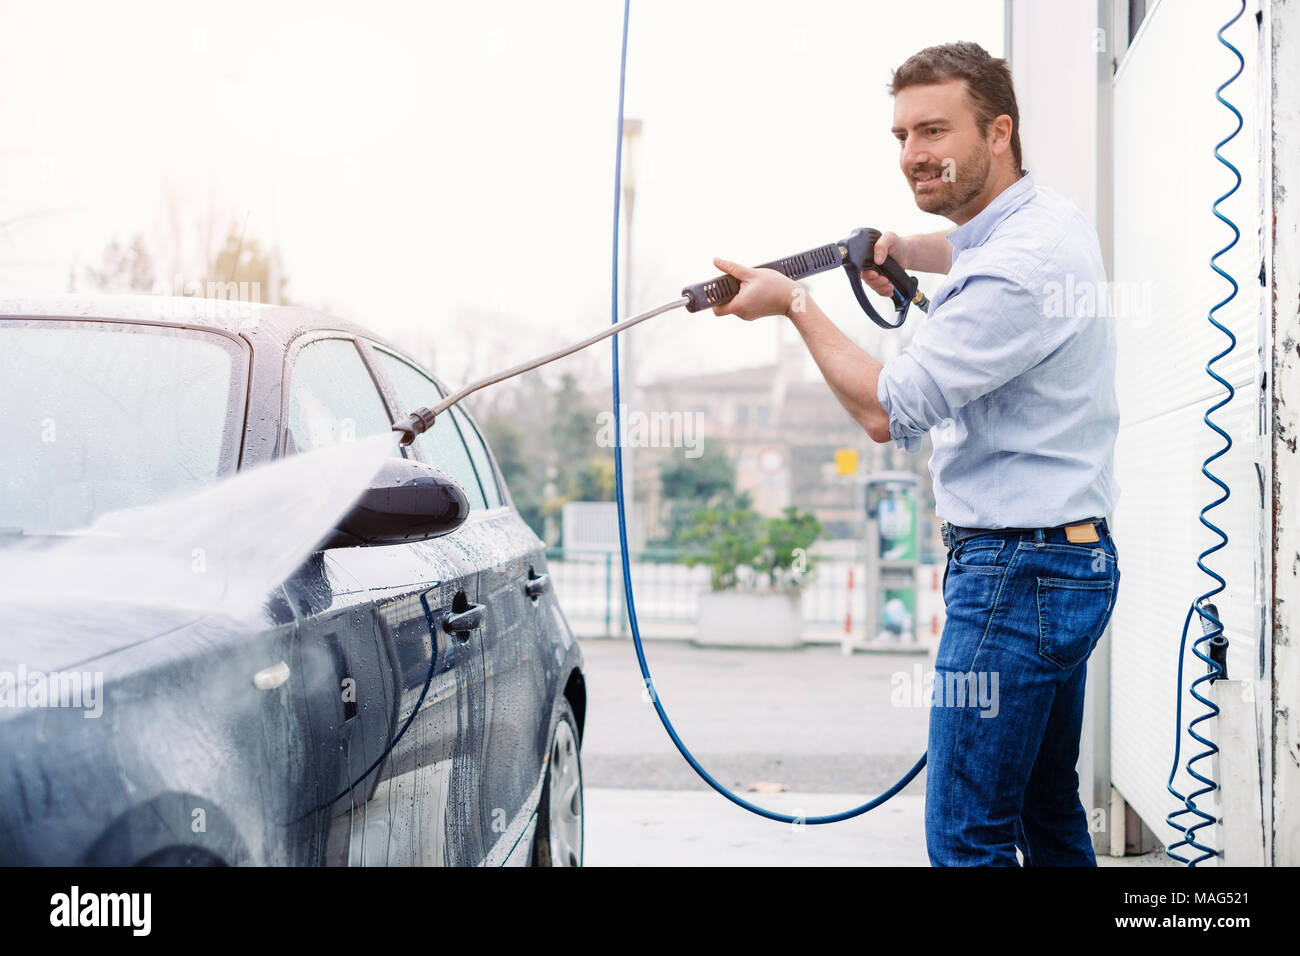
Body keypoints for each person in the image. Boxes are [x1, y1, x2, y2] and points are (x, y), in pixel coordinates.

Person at [710, 41, 1121, 866]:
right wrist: (898, 248)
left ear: (998, 132)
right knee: (1045, 816)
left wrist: (796, 301)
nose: (912, 155)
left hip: (1017, 575)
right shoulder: (1040, 224)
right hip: (1054, 563)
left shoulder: (1017, 269)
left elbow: (884, 408)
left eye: (933, 131)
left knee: (965, 839)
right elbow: (966, 254)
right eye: (900, 135)